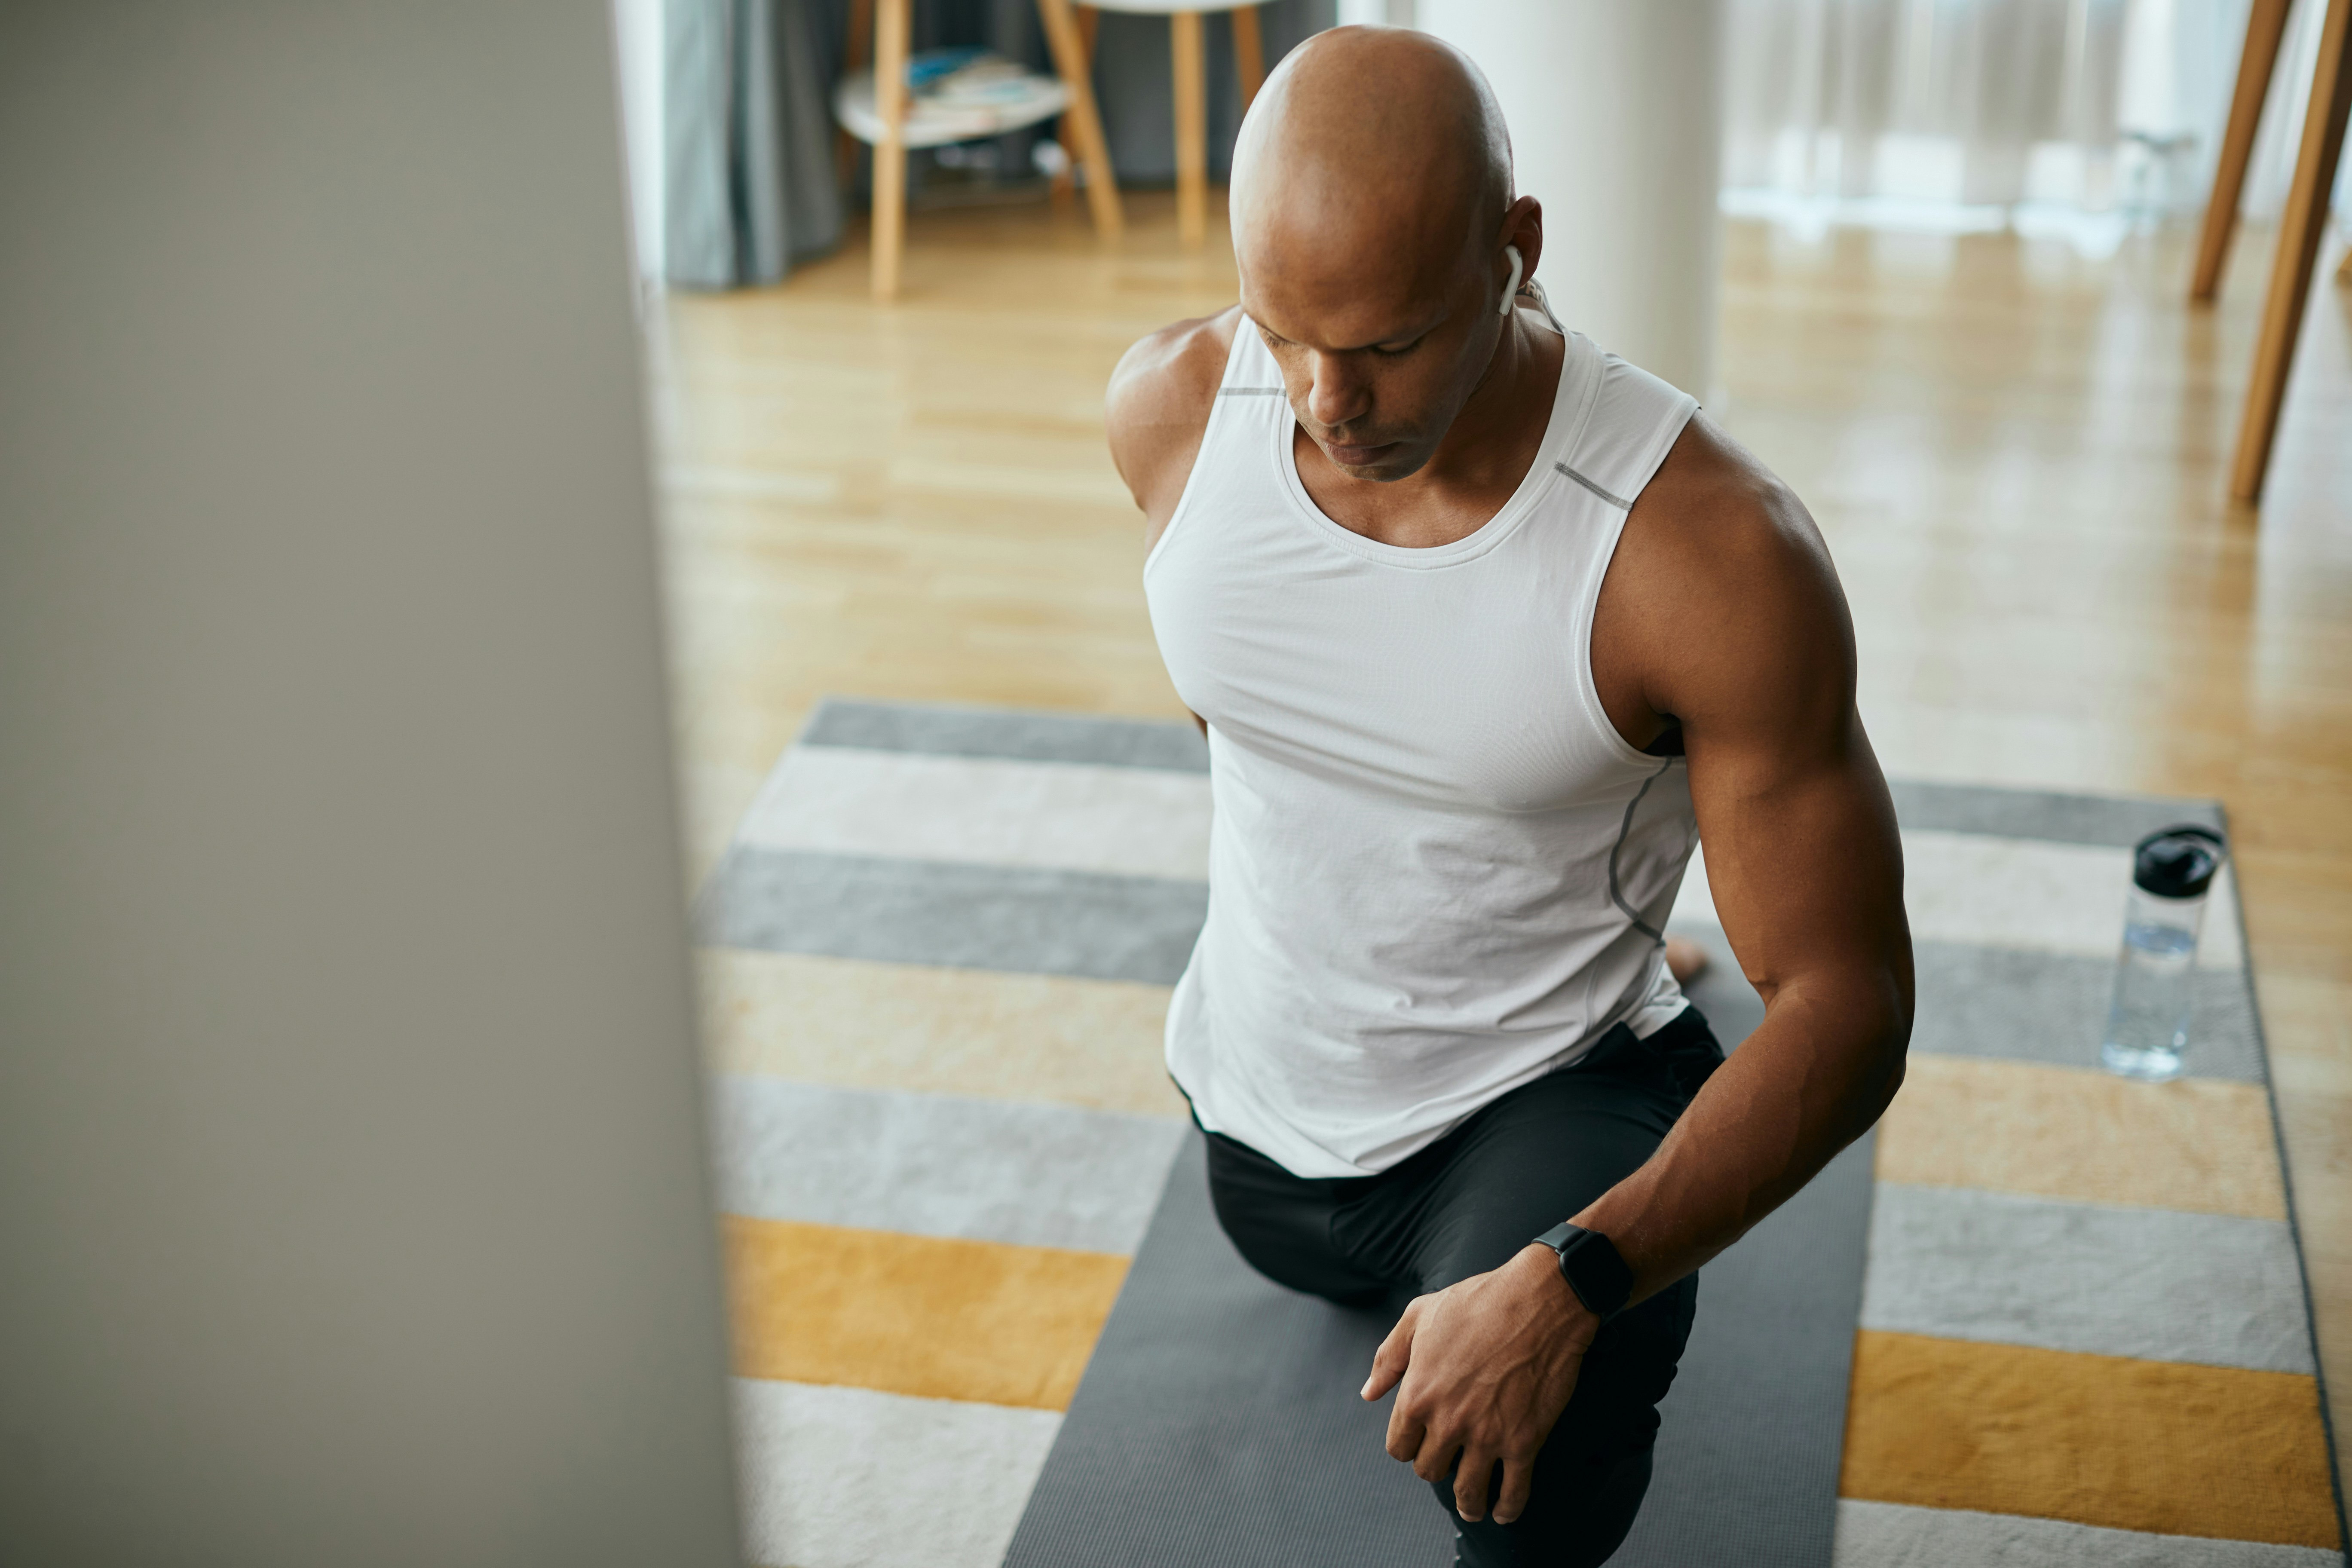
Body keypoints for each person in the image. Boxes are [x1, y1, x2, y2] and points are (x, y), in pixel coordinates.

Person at [1103, 25, 1914, 1568]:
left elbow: (1850, 1001)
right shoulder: (1170, 410)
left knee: (1528, 1457)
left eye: (1391, 343)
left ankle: (1629, 1034)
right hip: (1256, 1144)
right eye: (1285, 332)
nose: (1327, 404)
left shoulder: (1709, 555)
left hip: (1530, 1109)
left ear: (1516, 251)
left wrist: (1577, 1278)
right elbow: (1263, 728)